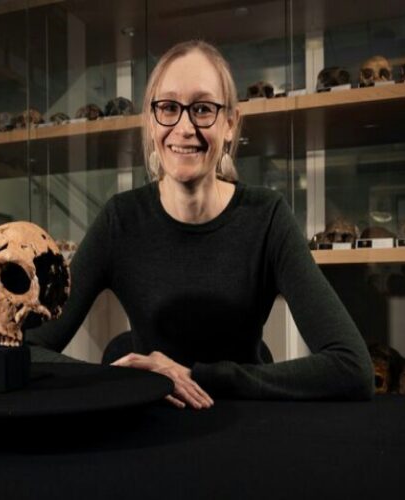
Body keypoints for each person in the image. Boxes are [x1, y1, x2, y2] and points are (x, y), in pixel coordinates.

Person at [27, 40, 374, 409]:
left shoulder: (267, 217)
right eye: (169, 107)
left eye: (203, 109)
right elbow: (27, 350)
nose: (184, 126)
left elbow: (352, 367)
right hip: (152, 426)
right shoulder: (120, 220)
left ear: (229, 125)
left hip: (245, 420)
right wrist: (120, 380)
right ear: (151, 119)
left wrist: (198, 377)